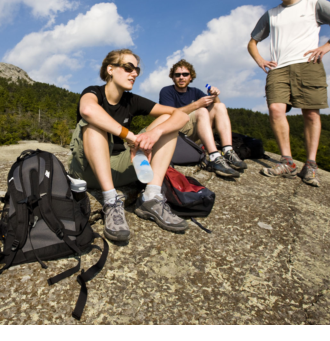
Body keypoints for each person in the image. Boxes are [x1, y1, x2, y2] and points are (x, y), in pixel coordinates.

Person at [248, 0, 330, 187]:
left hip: (308, 64)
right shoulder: (271, 14)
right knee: (276, 109)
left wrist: (329, 44)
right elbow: (252, 42)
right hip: (279, 68)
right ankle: (287, 161)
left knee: (310, 113)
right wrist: (260, 60)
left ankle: (310, 165)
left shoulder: (315, 4)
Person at [68, 49, 190, 243]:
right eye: (128, 68)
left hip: (121, 166)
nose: (134, 74)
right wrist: (129, 136)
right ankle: (110, 201)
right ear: (110, 69)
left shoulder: (131, 100)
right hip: (88, 171)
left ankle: (151, 197)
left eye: (136, 70)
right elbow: (88, 109)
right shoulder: (93, 92)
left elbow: (181, 115)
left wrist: (154, 134)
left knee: (167, 122)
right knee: (92, 124)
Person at [159, 60, 247, 178]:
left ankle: (228, 151)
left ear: (191, 77)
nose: (181, 77)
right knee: (201, 111)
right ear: (173, 77)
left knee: (220, 106)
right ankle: (214, 157)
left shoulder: (195, 91)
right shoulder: (167, 91)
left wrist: (215, 96)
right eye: (177, 75)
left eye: (185, 74)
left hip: (197, 134)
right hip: (177, 135)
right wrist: (196, 105)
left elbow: (217, 111)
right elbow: (169, 115)